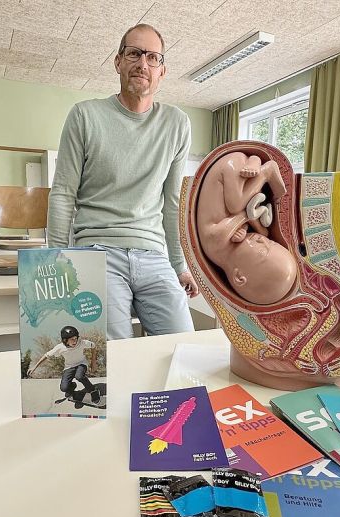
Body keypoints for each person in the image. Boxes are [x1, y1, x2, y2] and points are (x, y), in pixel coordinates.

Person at [47, 23, 199, 340]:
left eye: (152, 57)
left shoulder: (177, 123)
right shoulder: (85, 116)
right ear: (118, 62)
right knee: (111, 358)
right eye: (134, 53)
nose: (143, 63)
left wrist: (178, 265)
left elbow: (172, 203)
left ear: (162, 70)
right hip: (97, 251)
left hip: (153, 255)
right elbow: (63, 195)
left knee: (182, 348)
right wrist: (56, 264)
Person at [29, 326, 100, 404]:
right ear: (65, 340)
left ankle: (93, 390)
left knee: (79, 376)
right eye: (72, 339)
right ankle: (72, 386)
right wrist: (34, 367)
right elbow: (46, 355)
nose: (75, 341)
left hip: (81, 364)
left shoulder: (82, 343)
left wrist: (93, 362)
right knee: (64, 388)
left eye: (76, 338)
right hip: (69, 367)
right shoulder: (60, 348)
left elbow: (93, 346)